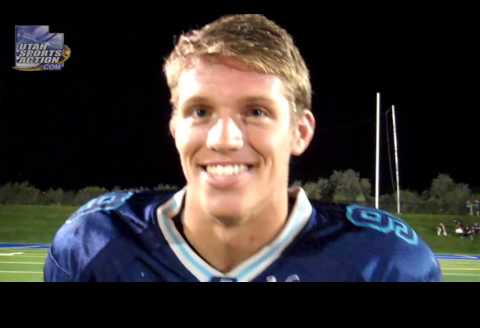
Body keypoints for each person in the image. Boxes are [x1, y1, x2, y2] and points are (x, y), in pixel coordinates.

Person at [44, 14, 442, 282]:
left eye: (255, 111)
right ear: (174, 127)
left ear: (300, 132)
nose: (223, 139)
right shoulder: (95, 245)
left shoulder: (383, 261)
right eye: (200, 111)